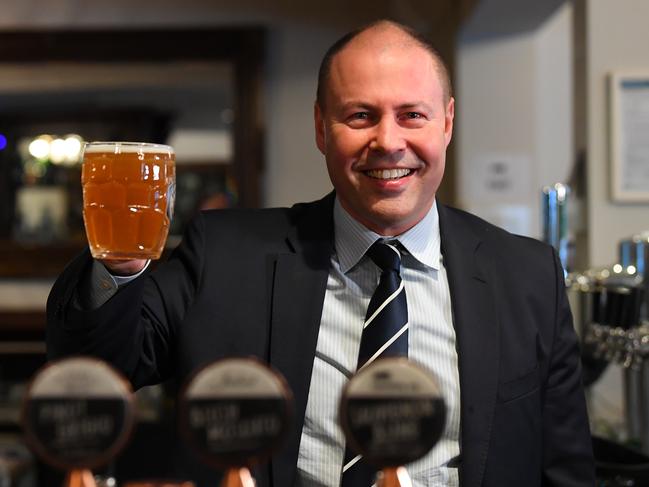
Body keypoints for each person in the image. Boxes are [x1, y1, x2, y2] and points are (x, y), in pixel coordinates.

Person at [47, 20, 595, 487]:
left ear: (447, 123)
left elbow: (566, 470)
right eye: (360, 116)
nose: (388, 141)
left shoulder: (527, 276)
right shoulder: (226, 254)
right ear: (320, 127)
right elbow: (100, 369)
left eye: (412, 115)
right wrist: (119, 260)